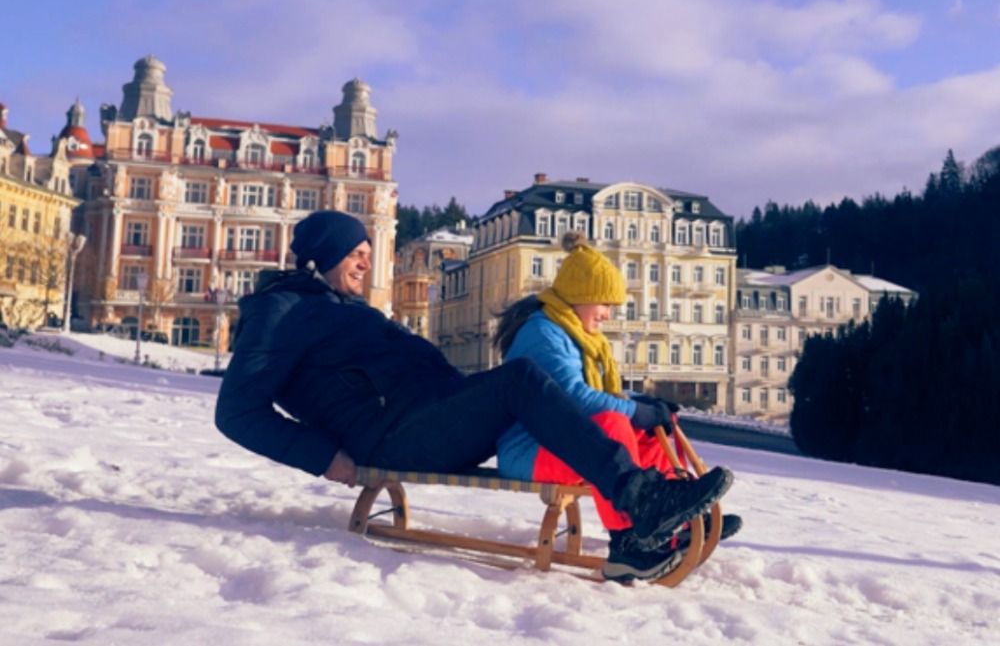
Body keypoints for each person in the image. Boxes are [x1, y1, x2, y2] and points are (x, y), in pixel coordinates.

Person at [215, 210, 733, 581]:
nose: (364, 265)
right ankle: (640, 500)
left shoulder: (338, 306)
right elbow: (238, 412)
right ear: (322, 256)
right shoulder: (280, 310)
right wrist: (325, 458)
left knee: (547, 395)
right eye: (355, 254)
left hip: (427, 417)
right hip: (392, 437)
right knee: (522, 377)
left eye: (368, 255)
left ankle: (643, 530)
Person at [494, 232, 743, 581]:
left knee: (646, 429)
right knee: (612, 423)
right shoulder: (543, 333)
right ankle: (628, 542)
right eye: (605, 304)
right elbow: (573, 397)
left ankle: (674, 519)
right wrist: (635, 409)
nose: (608, 315)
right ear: (582, 296)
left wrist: (646, 407)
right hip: (529, 450)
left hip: (565, 445)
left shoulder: (579, 336)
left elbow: (596, 393)